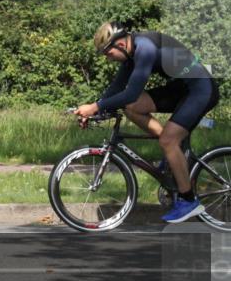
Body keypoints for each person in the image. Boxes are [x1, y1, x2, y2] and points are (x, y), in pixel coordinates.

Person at [74, 22, 220, 223]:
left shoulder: (145, 48)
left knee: (168, 140)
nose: (108, 59)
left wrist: (95, 107)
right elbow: (116, 89)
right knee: (132, 107)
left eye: (108, 54)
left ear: (120, 45)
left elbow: (131, 92)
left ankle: (188, 201)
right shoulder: (131, 54)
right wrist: (95, 109)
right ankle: (172, 152)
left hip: (200, 89)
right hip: (181, 88)